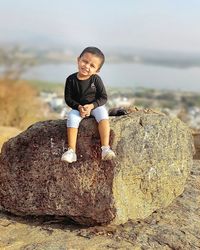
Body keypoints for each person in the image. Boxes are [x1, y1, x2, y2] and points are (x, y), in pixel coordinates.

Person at [61, 46, 116, 163]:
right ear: (78, 60)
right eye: (85, 61)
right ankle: (71, 151)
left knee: (103, 113)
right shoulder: (70, 80)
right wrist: (78, 107)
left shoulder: (96, 79)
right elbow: (68, 99)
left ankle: (105, 148)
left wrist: (92, 106)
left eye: (92, 66)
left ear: (97, 70)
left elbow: (103, 97)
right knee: (71, 118)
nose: (86, 66)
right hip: (78, 108)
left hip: (94, 107)